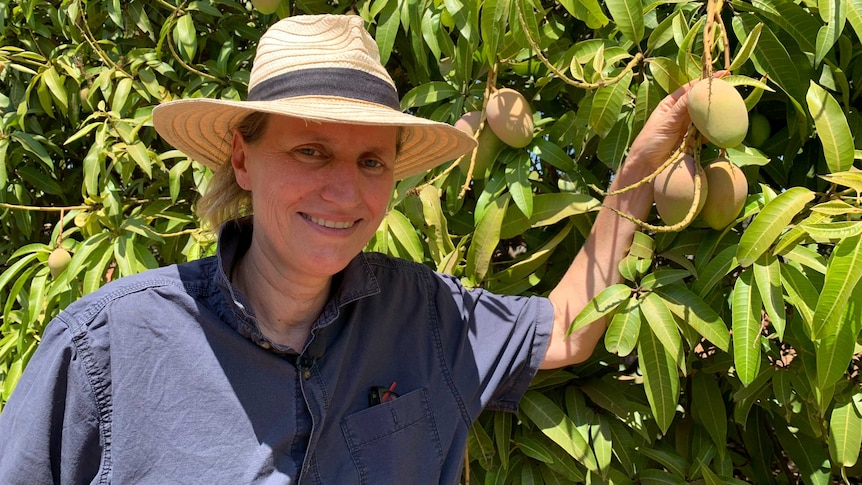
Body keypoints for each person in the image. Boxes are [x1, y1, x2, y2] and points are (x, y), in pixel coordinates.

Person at [0, 14, 697, 484]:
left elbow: (569, 329)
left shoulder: (425, 314)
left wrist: (638, 170)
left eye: (372, 162)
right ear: (243, 160)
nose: (346, 192)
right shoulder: (108, 348)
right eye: (311, 150)